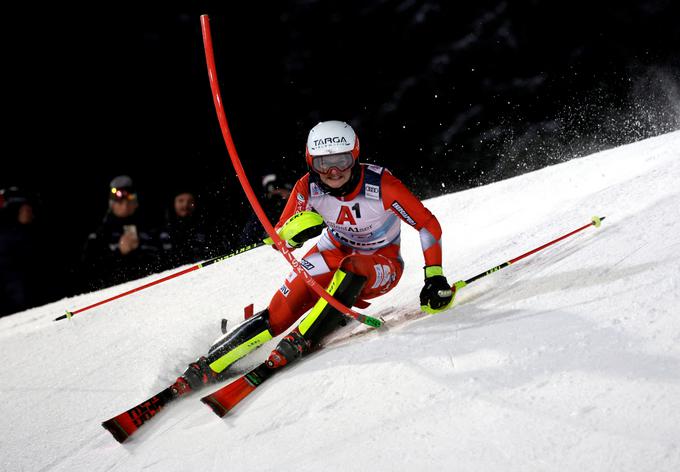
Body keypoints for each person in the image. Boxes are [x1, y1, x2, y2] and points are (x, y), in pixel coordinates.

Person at [176, 120, 455, 392]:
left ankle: (302, 338)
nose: (334, 171)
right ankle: (210, 364)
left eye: (342, 160)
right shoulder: (306, 187)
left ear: (355, 156)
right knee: (279, 313)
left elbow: (427, 224)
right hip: (331, 251)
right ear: (311, 162)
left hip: (380, 264)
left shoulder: (382, 185)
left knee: (353, 266)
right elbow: (280, 237)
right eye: (323, 163)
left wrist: (434, 276)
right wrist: (294, 233)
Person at [80, 175, 162, 291]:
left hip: (151, 289)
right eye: (119, 202)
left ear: (136, 203)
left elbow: (163, 262)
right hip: (116, 295)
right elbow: (89, 274)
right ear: (112, 205)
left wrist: (139, 252)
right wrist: (120, 252)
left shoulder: (150, 229)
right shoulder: (100, 234)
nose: (125, 206)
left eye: (129, 201)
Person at [0, 187, 49, 316]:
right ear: (15, 211)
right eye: (26, 209)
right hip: (17, 303)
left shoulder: (29, 233)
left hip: (31, 298)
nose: (31, 213)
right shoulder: (8, 238)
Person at [160, 188, 216, 268]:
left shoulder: (206, 226)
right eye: (181, 201)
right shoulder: (161, 231)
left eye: (190, 201)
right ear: (173, 203)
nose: (185, 205)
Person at [238, 172, 293, 246]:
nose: (278, 200)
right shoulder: (262, 214)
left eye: (280, 195)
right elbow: (246, 241)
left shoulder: (299, 205)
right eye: (275, 196)